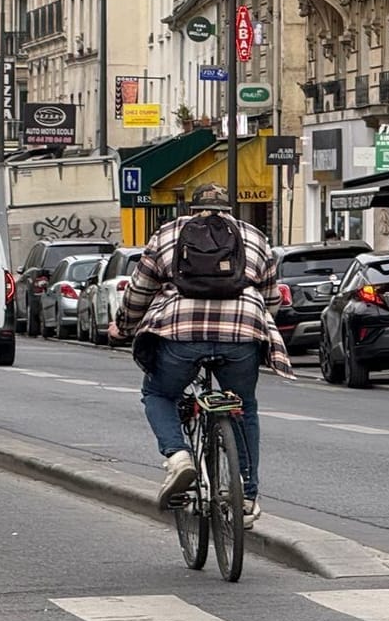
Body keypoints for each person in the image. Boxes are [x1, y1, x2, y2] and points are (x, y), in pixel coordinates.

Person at [109, 182, 289, 530]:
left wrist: (123, 326)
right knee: (244, 406)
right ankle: (247, 496)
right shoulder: (253, 236)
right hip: (241, 332)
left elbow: (140, 290)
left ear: (191, 208)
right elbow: (271, 295)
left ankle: (178, 456)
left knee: (159, 393)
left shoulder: (168, 234)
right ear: (229, 208)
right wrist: (259, 325)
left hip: (180, 334)